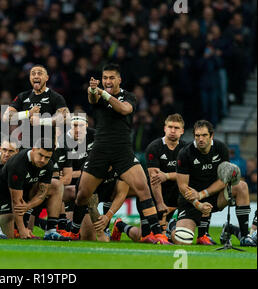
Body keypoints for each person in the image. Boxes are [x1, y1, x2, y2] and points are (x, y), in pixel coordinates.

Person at [68, 63, 171, 244]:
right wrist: (93, 90)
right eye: (105, 78)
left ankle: (157, 233)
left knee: (143, 188)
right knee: (82, 194)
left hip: (122, 150)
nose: (108, 81)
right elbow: (92, 99)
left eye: (111, 78)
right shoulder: (97, 95)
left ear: (119, 79)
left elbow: (124, 109)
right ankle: (73, 232)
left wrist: (102, 92)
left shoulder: (128, 96)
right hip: (100, 150)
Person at [169, 120, 254, 247]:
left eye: (204, 135)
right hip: (190, 202)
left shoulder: (220, 148)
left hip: (212, 196)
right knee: (183, 240)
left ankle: (244, 235)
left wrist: (202, 195)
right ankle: (172, 226)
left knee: (241, 186)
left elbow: (224, 179)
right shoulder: (185, 153)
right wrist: (198, 204)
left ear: (211, 136)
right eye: (197, 136)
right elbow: (182, 187)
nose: (200, 139)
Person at [111, 113, 187, 243]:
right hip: (151, 198)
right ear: (165, 128)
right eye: (170, 127)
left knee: (169, 238)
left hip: (174, 197)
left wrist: (167, 176)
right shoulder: (154, 147)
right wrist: (159, 203)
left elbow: (187, 176)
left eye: (176, 128)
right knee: (144, 237)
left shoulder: (186, 149)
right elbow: (154, 179)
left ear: (182, 131)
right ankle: (120, 225)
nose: (173, 131)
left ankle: (166, 227)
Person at [0, 138, 70, 240]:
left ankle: (51, 231)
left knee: (57, 185)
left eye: (47, 157)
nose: (43, 160)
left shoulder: (48, 164)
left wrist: (28, 206)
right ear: (34, 149)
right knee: (6, 235)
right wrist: (22, 231)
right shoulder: (18, 163)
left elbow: (42, 193)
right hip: (3, 196)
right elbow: (16, 201)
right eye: (41, 155)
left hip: (26, 193)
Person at [2, 64, 69, 148]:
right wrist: (28, 113)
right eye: (33, 74)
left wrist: (41, 121)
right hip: (26, 146)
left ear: (47, 78)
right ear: (30, 78)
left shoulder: (55, 97)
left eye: (40, 73)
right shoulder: (23, 96)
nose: (36, 76)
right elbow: (6, 117)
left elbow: (65, 118)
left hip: (47, 147)